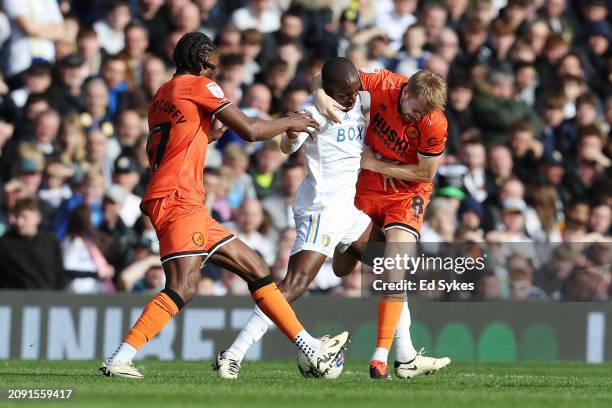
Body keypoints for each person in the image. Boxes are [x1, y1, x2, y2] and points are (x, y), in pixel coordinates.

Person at [99, 32, 348, 379]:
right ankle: (120, 357)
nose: (215, 76)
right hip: (178, 198)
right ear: (203, 64)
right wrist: (291, 121)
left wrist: (207, 136)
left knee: (257, 268)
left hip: (181, 199)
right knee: (184, 285)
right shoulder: (199, 85)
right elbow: (248, 130)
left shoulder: (161, 95)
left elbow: (164, 145)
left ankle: (309, 346)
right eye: (213, 68)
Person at [215, 57, 382, 379]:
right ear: (330, 90)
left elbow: (337, 84)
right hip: (320, 210)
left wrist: (321, 88)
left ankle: (399, 353)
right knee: (294, 285)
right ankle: (232, 354)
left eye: (354, 92)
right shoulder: (313, 110)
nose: (351, 98)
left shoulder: (358, 99)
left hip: (347, 210)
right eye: (344, 94)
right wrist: (293, 132)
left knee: (393, 261)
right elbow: (286, 148)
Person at [313, 67, 451, 379]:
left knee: (395, 262)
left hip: (407, 194)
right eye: (415, 110)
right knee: (342, 268)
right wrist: (320, 95)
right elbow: (328, 74)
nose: (418, 118)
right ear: (405, 92)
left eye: (424, 113)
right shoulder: (381, 83)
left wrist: (376, 162)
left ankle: (381, 357)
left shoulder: (434, 121)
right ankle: (407, 357)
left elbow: (425, 174)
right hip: (367, 185)